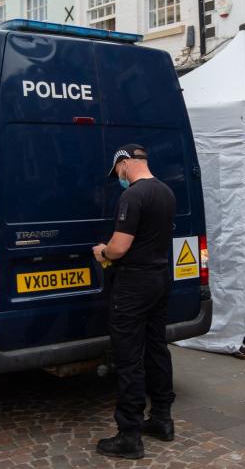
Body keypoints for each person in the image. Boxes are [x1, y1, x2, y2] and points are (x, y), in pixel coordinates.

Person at [93, 144, 177, 460]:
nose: (118, 178)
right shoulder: (166, 192)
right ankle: (162, 419)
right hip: (159, 277)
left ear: (125, 164)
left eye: (117, 171)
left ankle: (129, 435)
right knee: (157, 348)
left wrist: (102, 251)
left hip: (133, 284)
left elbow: (119, 247)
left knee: (129, 356)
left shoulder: (132, 196)